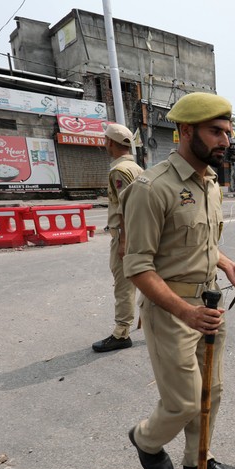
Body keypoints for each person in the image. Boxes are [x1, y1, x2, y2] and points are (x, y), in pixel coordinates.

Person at [122, 92, 235, 469]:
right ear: (185, 130)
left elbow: (203, 243)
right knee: (183, 401)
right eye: (216, 132)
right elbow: (138, 267)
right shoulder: (151, 188)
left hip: (209, 303)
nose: (225, 141)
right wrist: (186, 311)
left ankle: (199, 461)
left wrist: (227, 266)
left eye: (227, 133)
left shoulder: (210, 183)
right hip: (172, 311)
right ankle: (145, 439)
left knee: (210, 392)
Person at [92, 124, 144, 353]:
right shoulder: (136, 167)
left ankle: (121, 333)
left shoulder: (119, 170)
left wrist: (123, 242)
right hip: (139, 234)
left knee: (123, 285)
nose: (105, 144)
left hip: (127, 236)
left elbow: (126, 209)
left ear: (110, 143)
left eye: (105, 140)